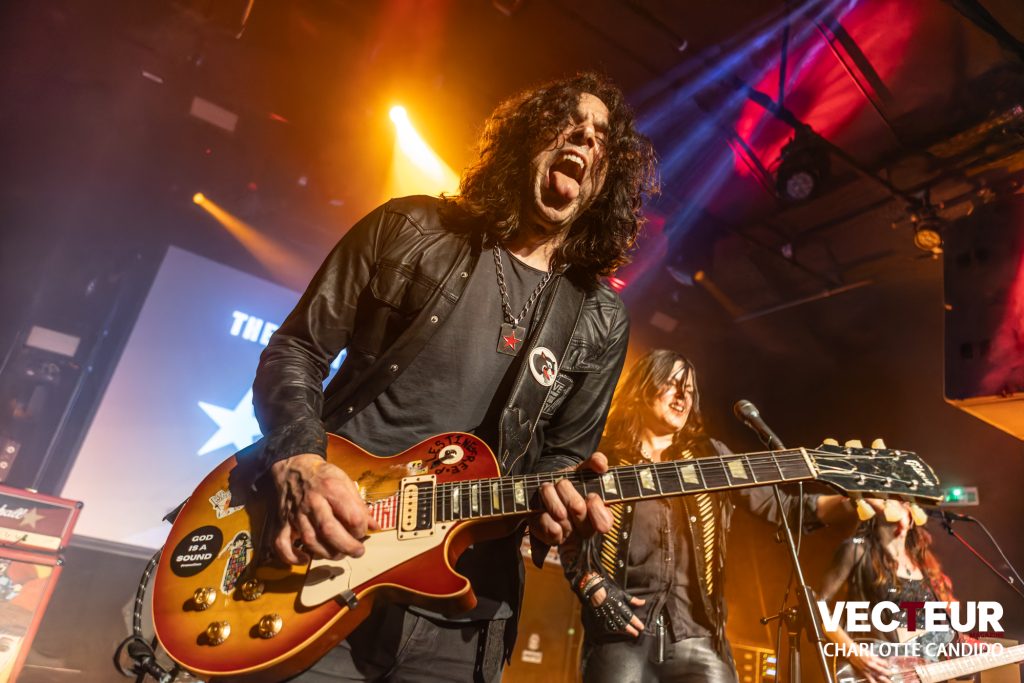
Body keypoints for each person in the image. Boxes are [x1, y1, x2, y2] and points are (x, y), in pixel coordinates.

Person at [249, 72, 658, 681]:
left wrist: (559, 511)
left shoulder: (600, 318)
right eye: (567, 122)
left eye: (602, 139)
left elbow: (562, 464)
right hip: (321, 560)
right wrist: (299, 459)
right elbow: (296, 349)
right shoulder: (410, 228)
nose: (585, 138)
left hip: (467, 612)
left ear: (605, 182)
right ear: (527, 139)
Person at [560, 349, 855, 683]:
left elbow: (783, 507)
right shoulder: (603, 457)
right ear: (642, 388)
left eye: (689, 388)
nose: (682, 395)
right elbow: (566, 531)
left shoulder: (710, 457)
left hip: (698, 638)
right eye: (671, 384)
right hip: (619, 636)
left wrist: (850, 501)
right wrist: (591, 586)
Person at [818, 500, 967, 683]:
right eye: (891, 499)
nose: (901, 505)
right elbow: (818, 605)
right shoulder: (857, 549)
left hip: (917, 673)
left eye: (905, 502)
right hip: (878, 670)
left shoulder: (922, 562)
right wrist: (853, 651)